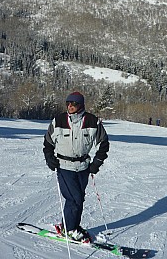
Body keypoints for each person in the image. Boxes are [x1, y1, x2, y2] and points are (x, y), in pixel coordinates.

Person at [43, 91, 110, 242]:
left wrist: (96, 163)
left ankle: (71, 224)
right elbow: (48, 143)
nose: (70, 106)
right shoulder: (58, 120)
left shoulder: (92, 121)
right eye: (68, 103)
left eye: (73, 103)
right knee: (74, 198)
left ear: (81, 105)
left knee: (79, 199)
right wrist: (49, 158)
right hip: (64, 166)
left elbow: (104, 144)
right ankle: (69, 229)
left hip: (83, 167)